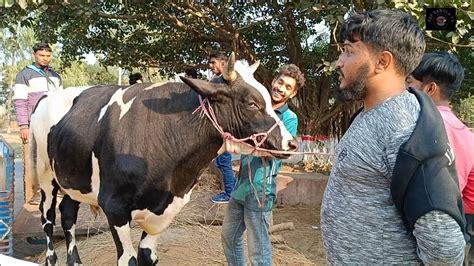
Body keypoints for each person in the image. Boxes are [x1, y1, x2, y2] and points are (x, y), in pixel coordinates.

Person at [320, 9, 468, 264]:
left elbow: (445, 249)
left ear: (382, 62)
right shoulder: (370, 115)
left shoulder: (403, 127)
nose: (339, 62)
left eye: (348, 50)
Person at [221, 64, 305, 265]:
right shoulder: (257, 107)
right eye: (280, 82)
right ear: (273, 81)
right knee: (229, 238)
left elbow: (280, 152)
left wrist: (242, 146)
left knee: (258, 250)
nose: (281, 88)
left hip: (260, 190)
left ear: (292, 94)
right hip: (240, 187)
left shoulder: (289, 118)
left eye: (288, 87)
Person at [406, 52, 474, 263]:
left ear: (429, 89)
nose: (403, 90)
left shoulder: (436, 127)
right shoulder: (460, 127)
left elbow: (442, 191)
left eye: (409, 82)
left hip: (458, 222)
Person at [13, 42, 63, 205]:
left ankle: (60, 188)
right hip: (34, 123)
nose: (45, 59)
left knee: (56, 156)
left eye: (48, 56)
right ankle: (34, 193)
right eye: (42, 55)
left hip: (55, 123)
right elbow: (20, 101)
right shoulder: (25, 75)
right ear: (34, 55)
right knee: (33, 159)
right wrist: (23, 125)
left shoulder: (56, 76)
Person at [209, 51, 237, 203]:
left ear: (223, 63)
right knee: (221, 161)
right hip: (219, 129)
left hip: (224, 131)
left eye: (213, 62)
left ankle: (229, 194)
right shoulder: (217, 80)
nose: (210, 65)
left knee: (224, 161)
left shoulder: (225, 82)